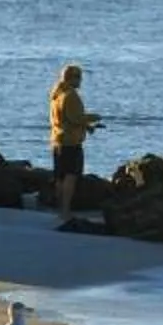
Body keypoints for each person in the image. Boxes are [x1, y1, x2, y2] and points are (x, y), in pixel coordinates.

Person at [48, 63, 103, 227]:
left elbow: (66, 119)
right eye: (79, 77)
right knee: (70, 178)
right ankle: (65, 211)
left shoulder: (57, 94)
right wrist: (94, 117)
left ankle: (60, 210)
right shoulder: (71, 95)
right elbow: (76, 118)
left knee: (60, 177)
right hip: (71, 143)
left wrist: (88, 128)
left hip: (57, 140)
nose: (81, 81)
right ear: (72, 78)